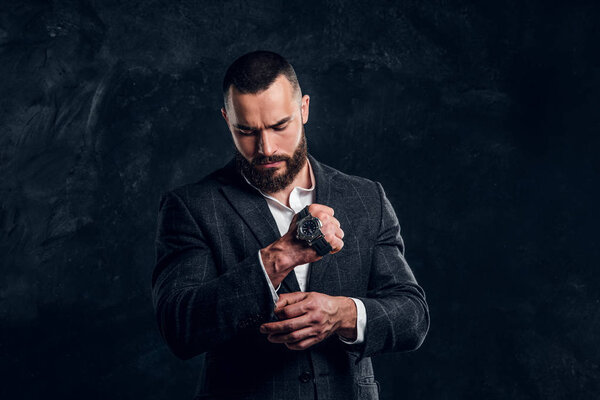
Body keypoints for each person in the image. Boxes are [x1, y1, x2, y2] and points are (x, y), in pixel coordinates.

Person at [151, 50, 429, 400]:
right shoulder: (192, 207)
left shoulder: (365, 197)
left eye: (279, 126)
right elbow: (180, 327)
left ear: (304, 109)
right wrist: (278, 258)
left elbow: (413, 316)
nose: (266, 148)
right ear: (227, 120)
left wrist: (342, 314)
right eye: (246, 131)